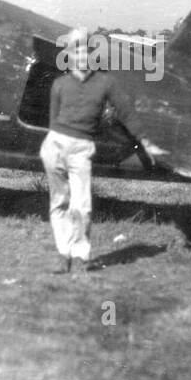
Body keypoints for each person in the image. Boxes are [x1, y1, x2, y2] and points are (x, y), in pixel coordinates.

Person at [41, 28, 155, 274]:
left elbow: (126, 112)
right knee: (58, 202)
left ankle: (81, 255)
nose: (81, 57)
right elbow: (54, 119)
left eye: (86, 52)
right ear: (70, 56)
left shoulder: (106, 83)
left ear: (92, 55)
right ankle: (64, 255)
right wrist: (53, 142)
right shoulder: (59, 84)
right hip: (55, 145)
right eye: (76, 52)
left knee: (82, 205)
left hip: (81, 149)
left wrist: (144, 140)